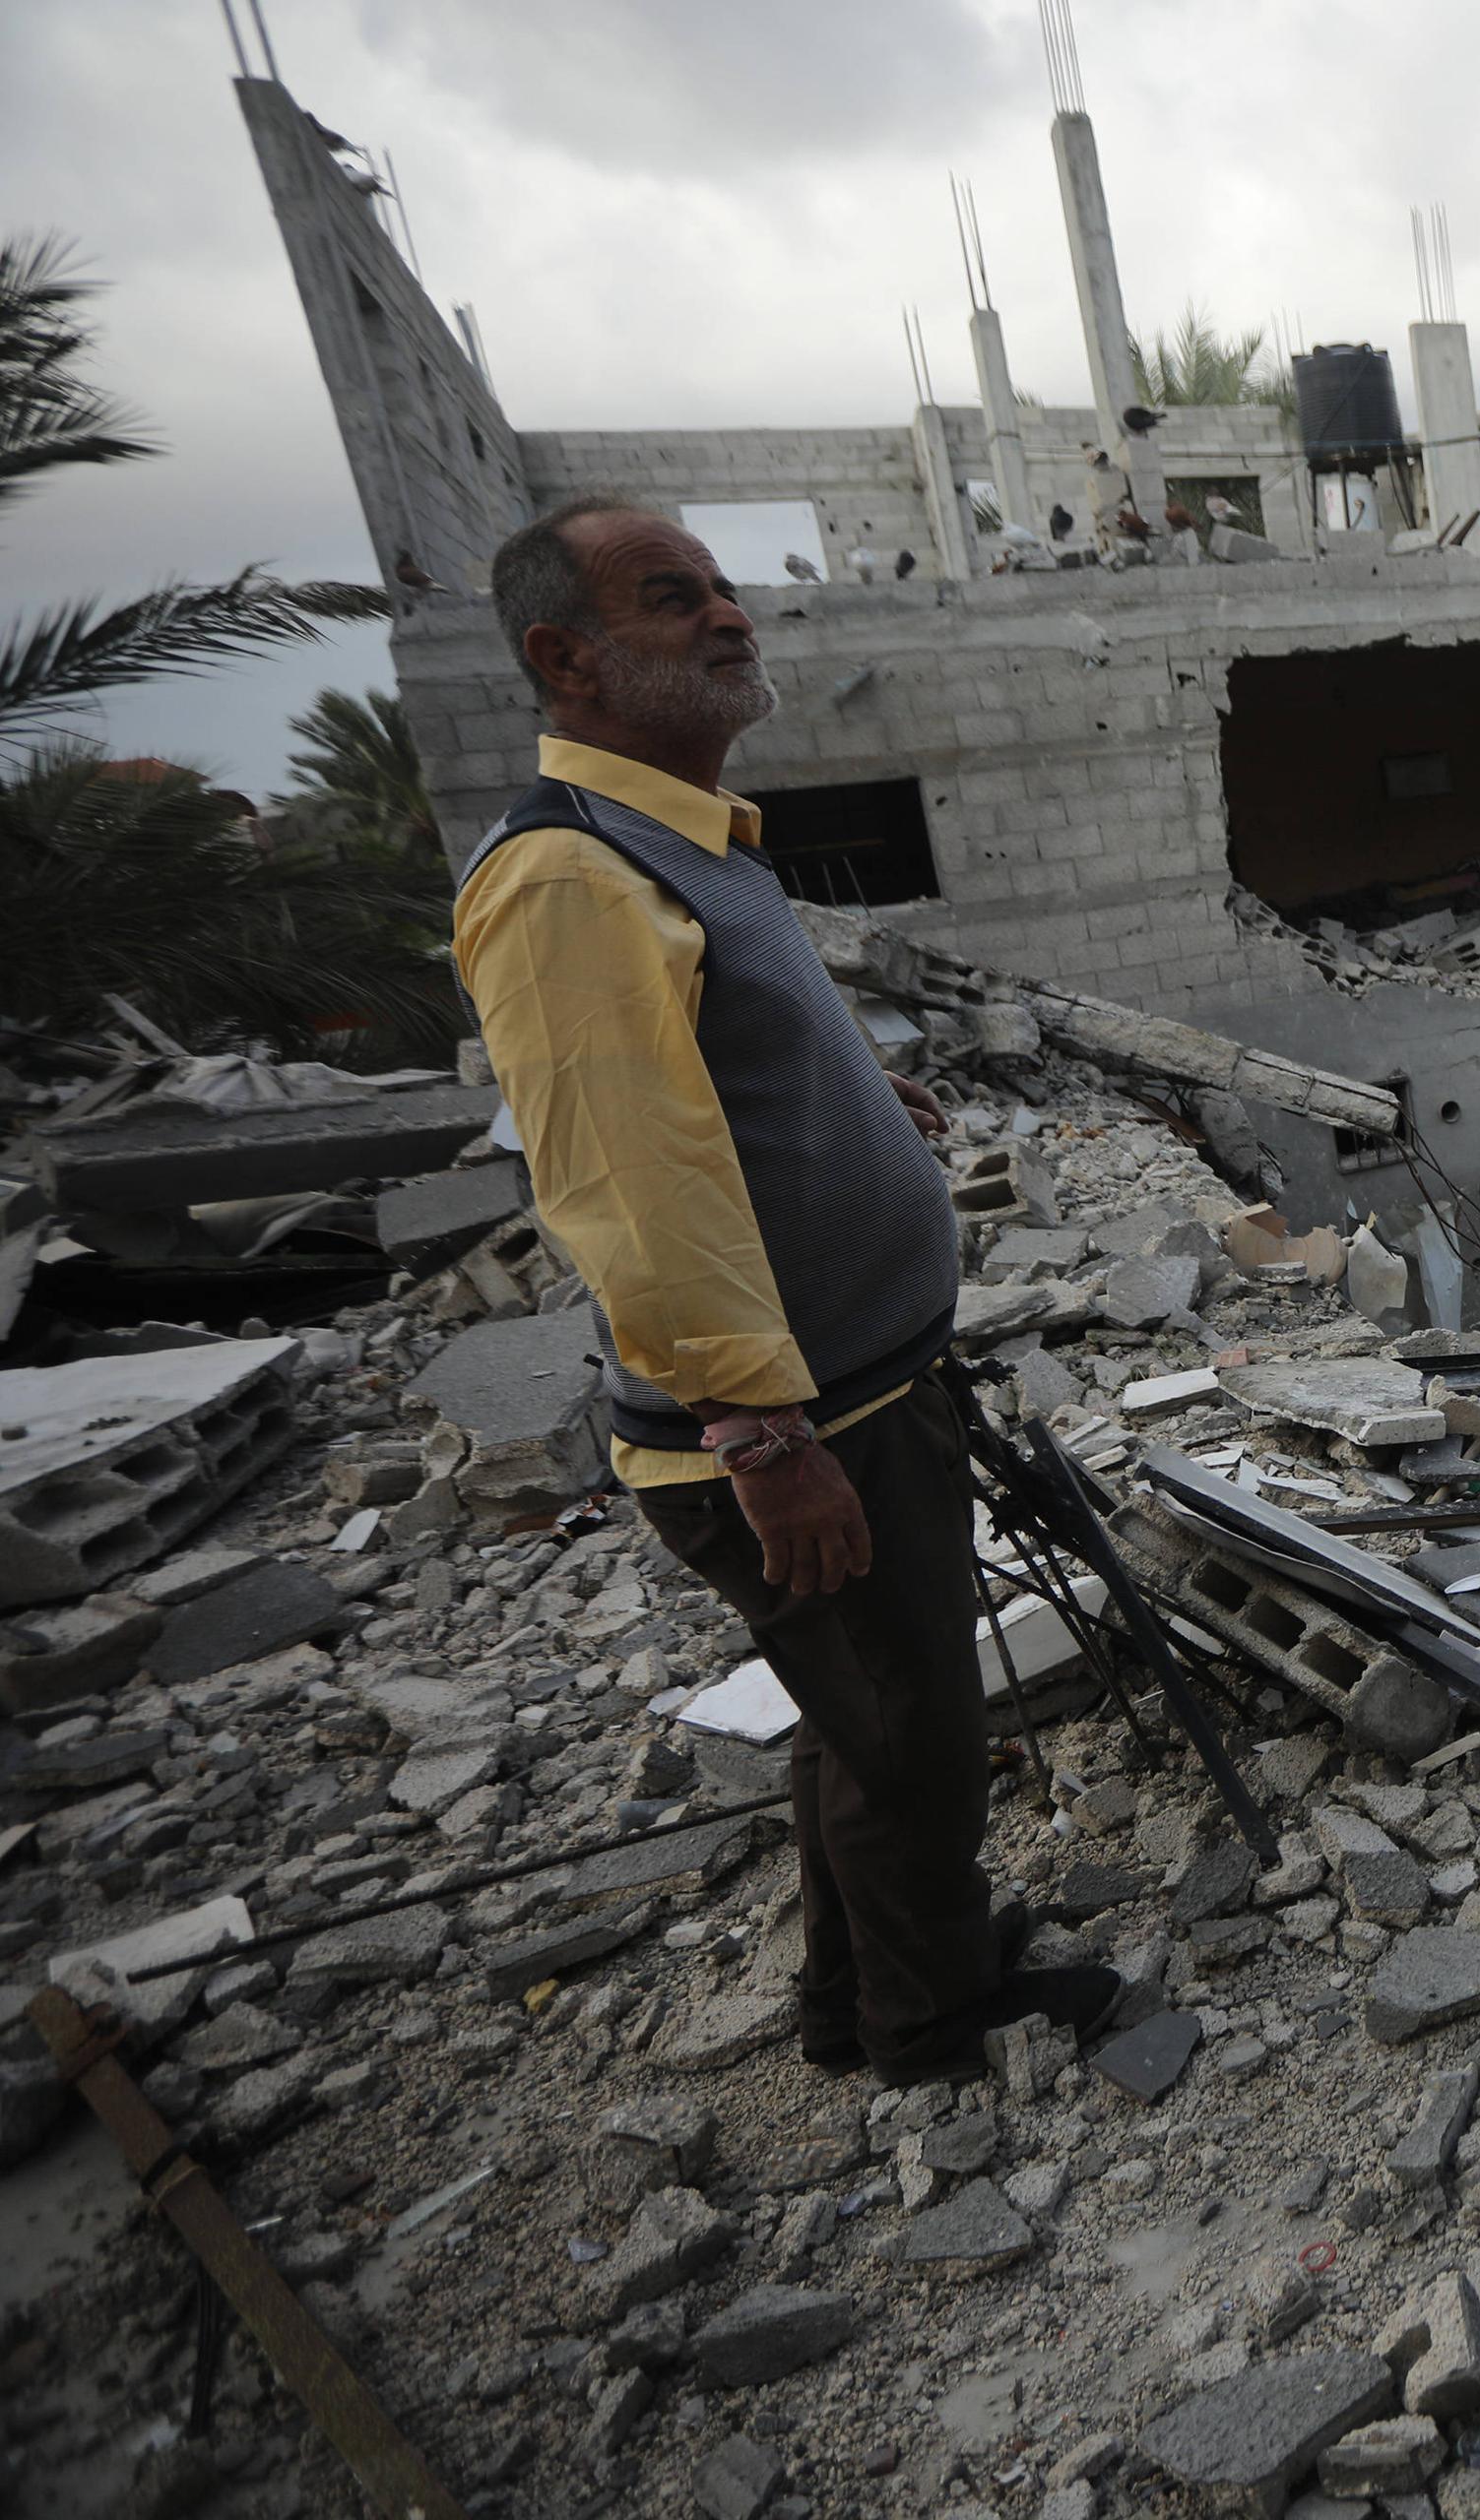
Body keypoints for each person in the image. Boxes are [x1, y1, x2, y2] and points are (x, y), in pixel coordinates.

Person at [454, 495, 1114, 2084]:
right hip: (798, 1422)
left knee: (859, 1717)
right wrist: (763, 1434)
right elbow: (629, 1182)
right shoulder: (568, 881)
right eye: (675, 600)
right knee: (911, 1736)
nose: (730, 616)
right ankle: (934, 2030)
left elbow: (721, 1082)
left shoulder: (688, 845)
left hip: (863, 1389)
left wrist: (866, 1106)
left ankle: (858, 1993)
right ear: (569, 660)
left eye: (722, 589)